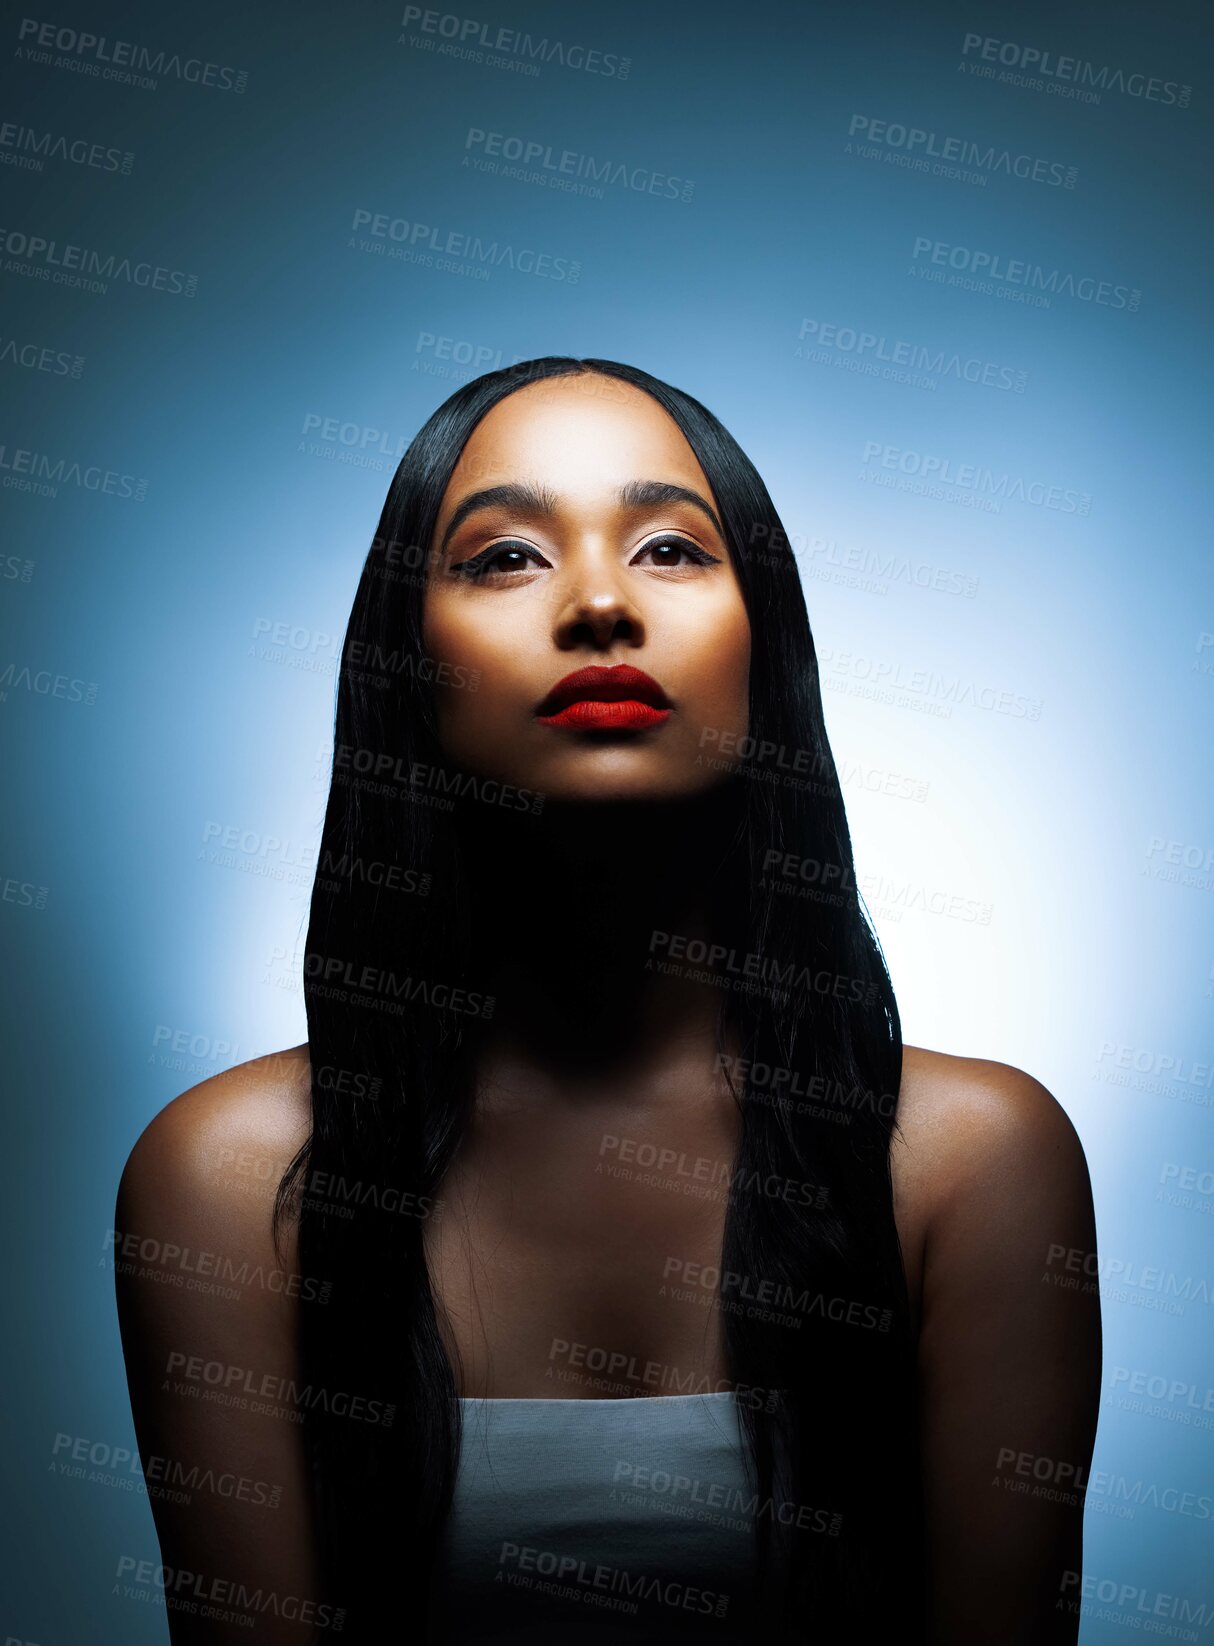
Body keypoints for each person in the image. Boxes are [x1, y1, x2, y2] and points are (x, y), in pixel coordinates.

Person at [115, 356, 1102, 1644]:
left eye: (672, 550)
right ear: (403, 660)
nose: (597, 603)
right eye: (507, 555)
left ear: (770, 643)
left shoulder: (975, 1167)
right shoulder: (229, 1181)